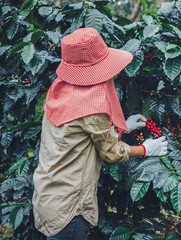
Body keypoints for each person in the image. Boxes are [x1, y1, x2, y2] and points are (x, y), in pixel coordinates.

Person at [32, 28, 168, 240]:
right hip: (70, 208)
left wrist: (124, 126)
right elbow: (111, 153)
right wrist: (146, 149)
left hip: (47, 196)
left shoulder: (60, 87)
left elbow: (79, 131)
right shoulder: (92, 103)